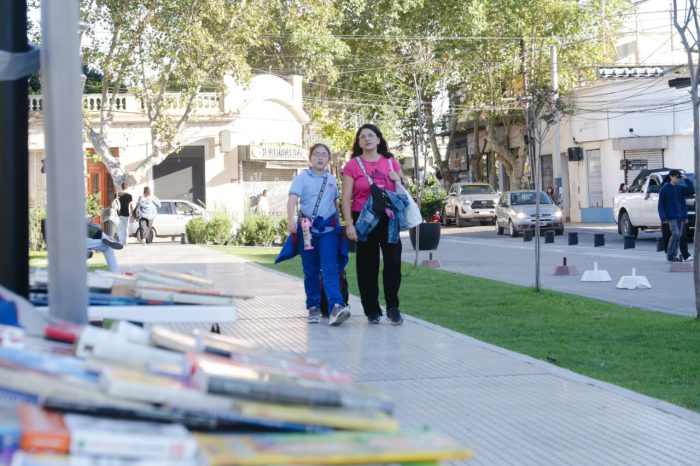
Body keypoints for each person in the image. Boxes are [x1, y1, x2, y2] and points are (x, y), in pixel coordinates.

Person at [342, 123, 409, 325]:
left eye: (371, 135)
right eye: (362, 137)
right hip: (363, 220)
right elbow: (345, 199)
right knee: (366, 266)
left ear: (379, 140)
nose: (367, 139)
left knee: (393, 263)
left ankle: (393, 307)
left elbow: (403, 185)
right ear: (359, 142)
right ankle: (372, 309)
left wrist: (400, 178)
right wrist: (349, 225)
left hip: (389, 219)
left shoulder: (390, 161)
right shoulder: (352, 165)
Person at [287, 143, 350, 326]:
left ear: (329, 160)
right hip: (307, 230)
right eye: (316, 154)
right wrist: (290, 219)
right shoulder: (302, 178)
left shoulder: (331, 179)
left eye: (324, 155)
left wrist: (339, 226)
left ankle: (336, 306)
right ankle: (313, 306)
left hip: (329, 231)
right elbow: (292, 200)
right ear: (310, 158)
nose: (320, 158)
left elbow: (335, 204)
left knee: (330, 267)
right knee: (311, 269)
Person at [658, 169, 695, 262]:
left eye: (679, 177)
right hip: (670, 217)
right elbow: (661, 204)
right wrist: (663, 217)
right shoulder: (665, 188)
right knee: (676, 234)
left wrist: (686, 179)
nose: (677, 179)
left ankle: (673, 256)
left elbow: (691, 190)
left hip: (680, 216)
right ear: (671, 176)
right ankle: (670, 253)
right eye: (676, 177)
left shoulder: (680, 188)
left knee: (679, 236)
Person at [116, 182, 133, 247]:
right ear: (127, 187)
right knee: (126, 228)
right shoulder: (129, 195)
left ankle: (121, 241)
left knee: (120, 228)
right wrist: (132, 213)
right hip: (126, 214)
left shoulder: (118, 194)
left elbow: (114, 204)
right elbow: (131, 205)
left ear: (121, 187)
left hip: (119, 214)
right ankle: (126, 241)